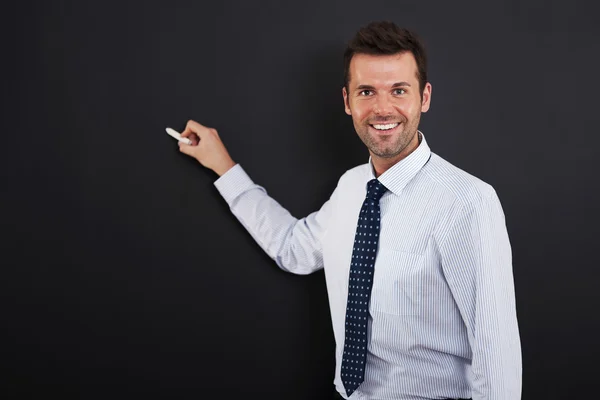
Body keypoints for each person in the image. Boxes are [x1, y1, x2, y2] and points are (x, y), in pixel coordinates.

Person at [176, 21, 521, 400]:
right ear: (347, 101)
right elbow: (292, 248)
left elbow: (497, 356)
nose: (382, 108)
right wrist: (224, 167)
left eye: (399, 90)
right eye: (366, 91)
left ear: (424, 97)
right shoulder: (351, 186)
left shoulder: (468, 203)